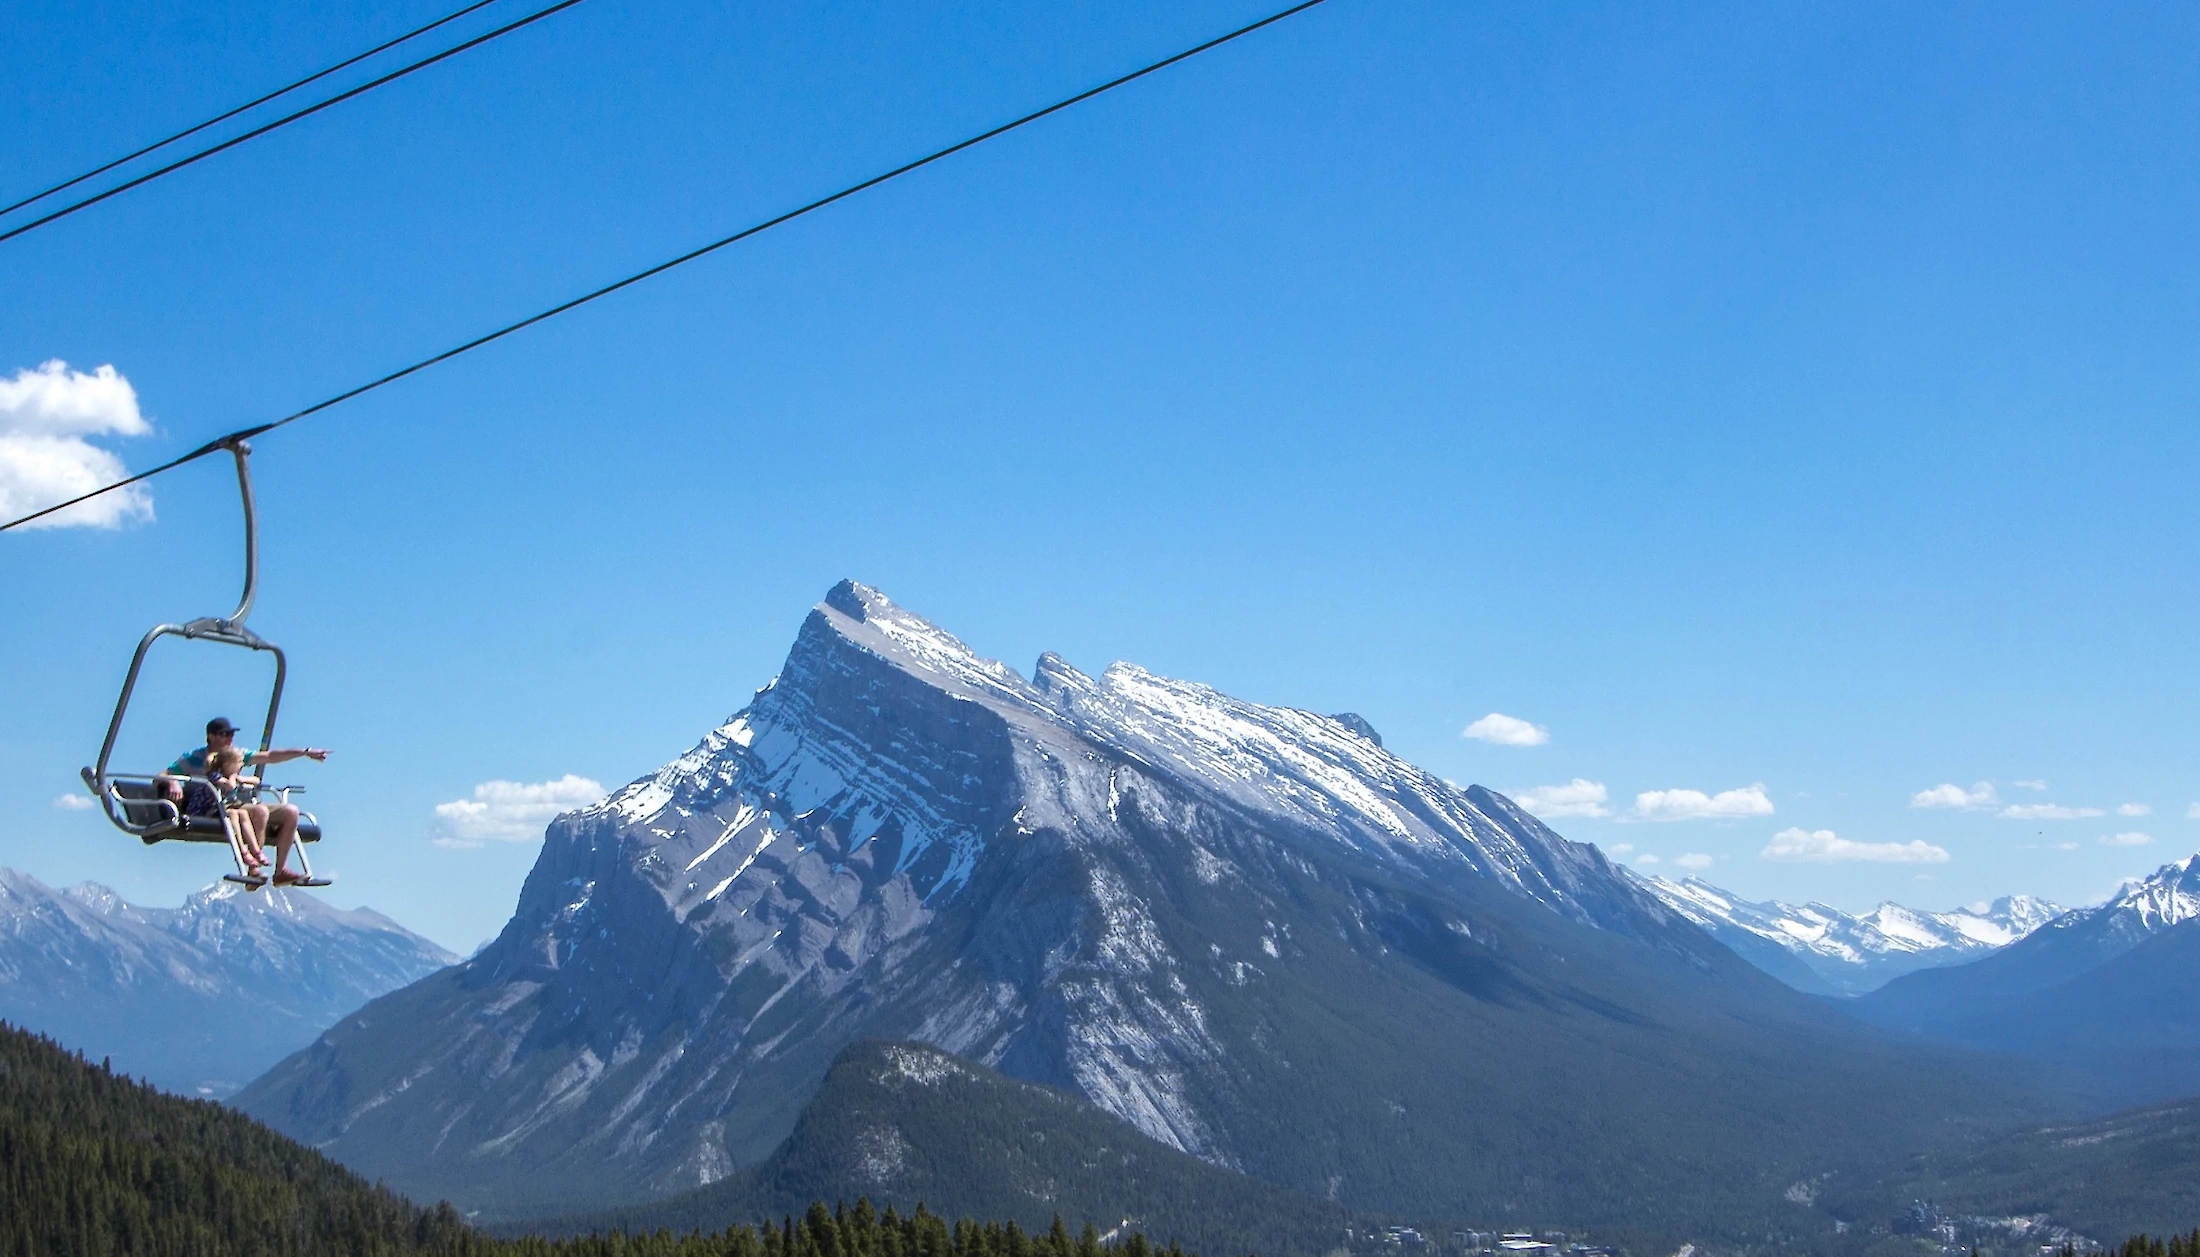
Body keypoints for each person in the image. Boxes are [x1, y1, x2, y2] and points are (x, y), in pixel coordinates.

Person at [160, 717, 328, 885]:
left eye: (231, 734)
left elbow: (270, 756)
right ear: (211, 736)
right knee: (258, 812)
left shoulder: (236, 755)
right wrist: (172, 781)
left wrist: (305, 752)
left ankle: (281, 871)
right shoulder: (195, 758)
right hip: (216, 807)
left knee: (291, 811)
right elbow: (162, 775)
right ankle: (254, 868)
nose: (230, 738)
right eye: (224, 734)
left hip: (240, 804)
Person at [207, 746, 268, 873]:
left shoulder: (234, 776)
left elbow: (256, 780)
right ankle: (242, 850)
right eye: (239, 763)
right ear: (227, 764)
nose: (241, 766)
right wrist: (234, 778)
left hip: (225, 808)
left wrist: (242, 779)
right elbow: (229, 785)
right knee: (234, 814)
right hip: (210, 809)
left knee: (243, 814)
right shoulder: (214, 775)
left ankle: (255, 850)